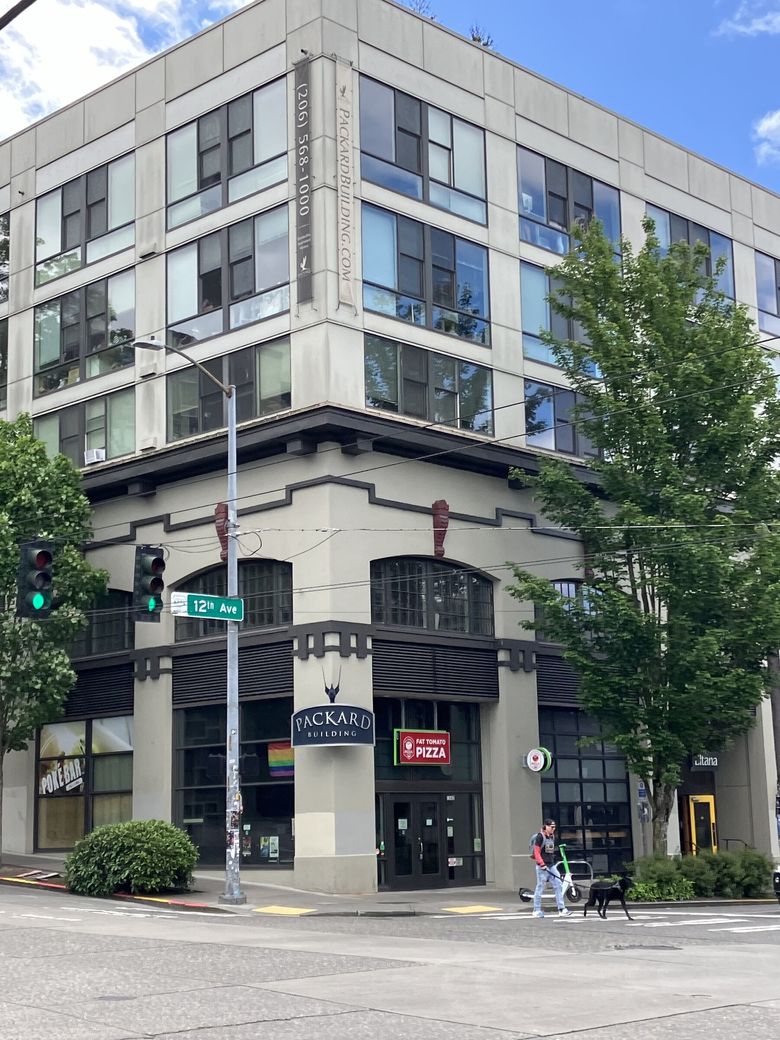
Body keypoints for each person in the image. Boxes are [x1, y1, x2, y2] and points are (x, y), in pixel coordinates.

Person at [532, 819, 571, 918]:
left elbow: (550, 851)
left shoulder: (552, 836)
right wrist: (542, 864)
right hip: (542, 867)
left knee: (558, 885)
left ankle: (561, 908)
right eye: (552, 827)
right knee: (540, 887)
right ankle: (536, 910)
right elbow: (536, 852)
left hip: (551, 865)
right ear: (546, 826)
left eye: (554, 827)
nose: (553, 829)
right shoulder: (540, 837)